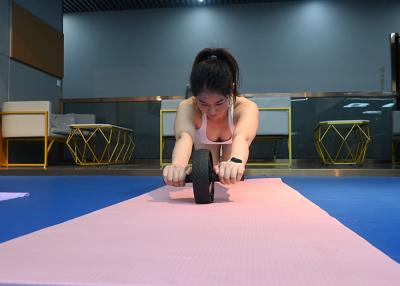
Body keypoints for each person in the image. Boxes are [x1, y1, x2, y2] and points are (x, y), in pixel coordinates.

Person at [163, 48, 259, 187]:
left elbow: (243, 137)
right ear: (195, 96)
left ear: (231, 90)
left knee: (228, 178)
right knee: (207, 173)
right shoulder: (188, 107)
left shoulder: (246, 107)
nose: (212, 111)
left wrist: (236, 162)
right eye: (203, 103)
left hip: (234, 143)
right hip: (204, 146)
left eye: (219, 102)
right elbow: (184, 137)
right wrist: (177, 166)